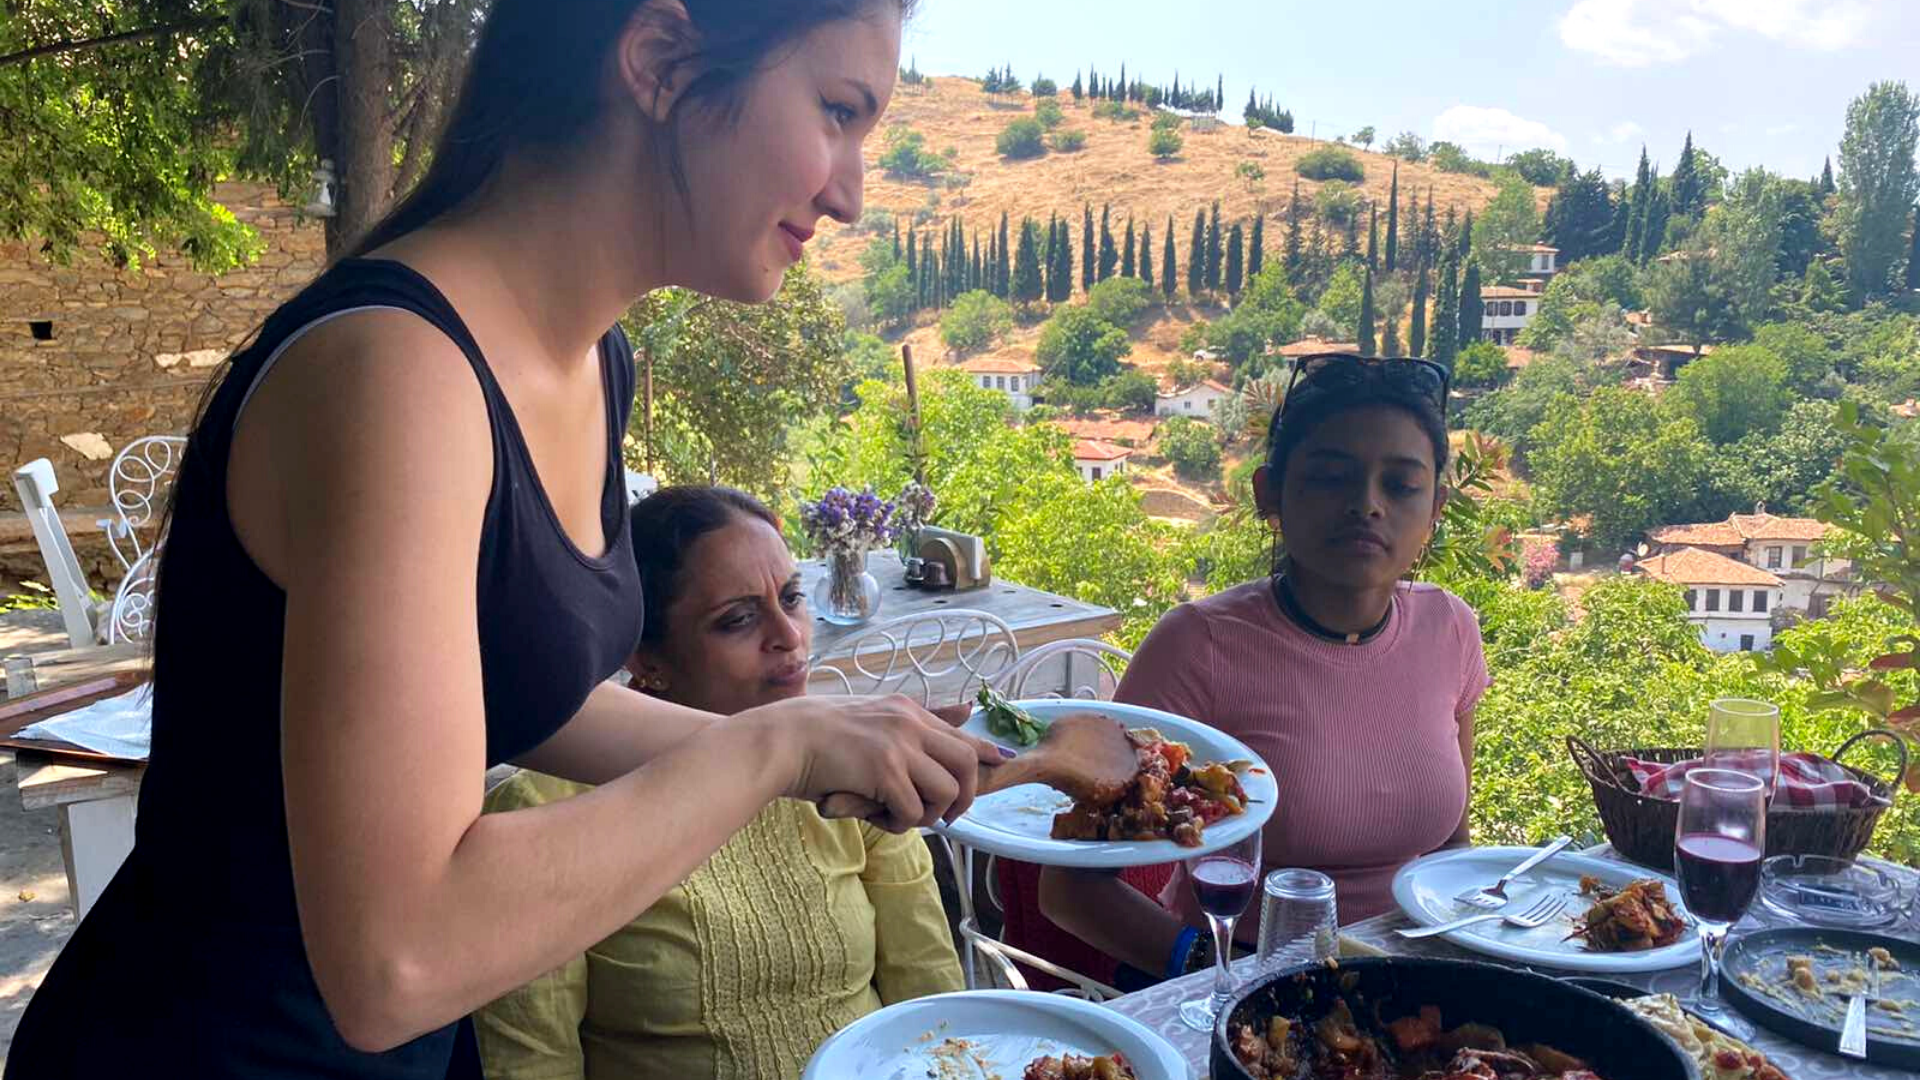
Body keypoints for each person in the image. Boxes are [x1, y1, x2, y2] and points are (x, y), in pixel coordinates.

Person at [7, 3, 999, 1077]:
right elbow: (396, 957)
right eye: (838, 111)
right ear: (660, 59)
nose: (852, 193)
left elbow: (528, 694)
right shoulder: (400, 375)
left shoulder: (592, 360)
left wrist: (830, 739)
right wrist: (773, 749)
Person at [474, 486, 964, 1079]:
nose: (789, 636)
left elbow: (932, 996)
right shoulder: (544, 812)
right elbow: (532, 1064)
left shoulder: (853, 767)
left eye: (791, 598)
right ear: (647, 660)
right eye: (738, 620)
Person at [1037, 353, 1488, 983]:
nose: (1367, 504)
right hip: (1225, 981)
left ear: (1435, 507)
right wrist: (1225, 971)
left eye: (1401, 485)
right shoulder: (1199, 645)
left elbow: (1451, 852)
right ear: (1269, 493)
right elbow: (1070, 891)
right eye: (1330, 477)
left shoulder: (1450, 628)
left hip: (1407, 981)